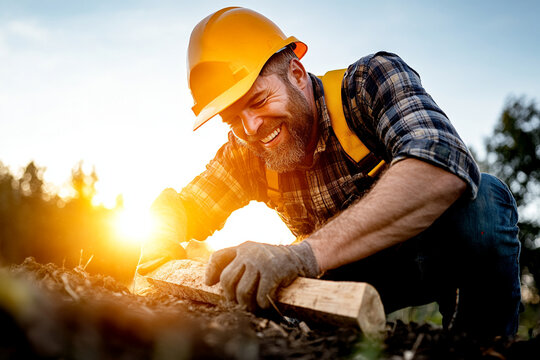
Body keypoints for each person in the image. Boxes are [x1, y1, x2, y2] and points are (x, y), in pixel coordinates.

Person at [136, 7, 521, 338]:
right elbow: (182, 205)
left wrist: (302, 256)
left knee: (485, 201)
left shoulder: (368, 82)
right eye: (233, 118)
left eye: (259, 100)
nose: (251, 127)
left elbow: (441, 163)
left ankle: (481, 345)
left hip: (426, 256)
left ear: (298, 74)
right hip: (338, 282)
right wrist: (160, 237)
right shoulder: (246, 151)